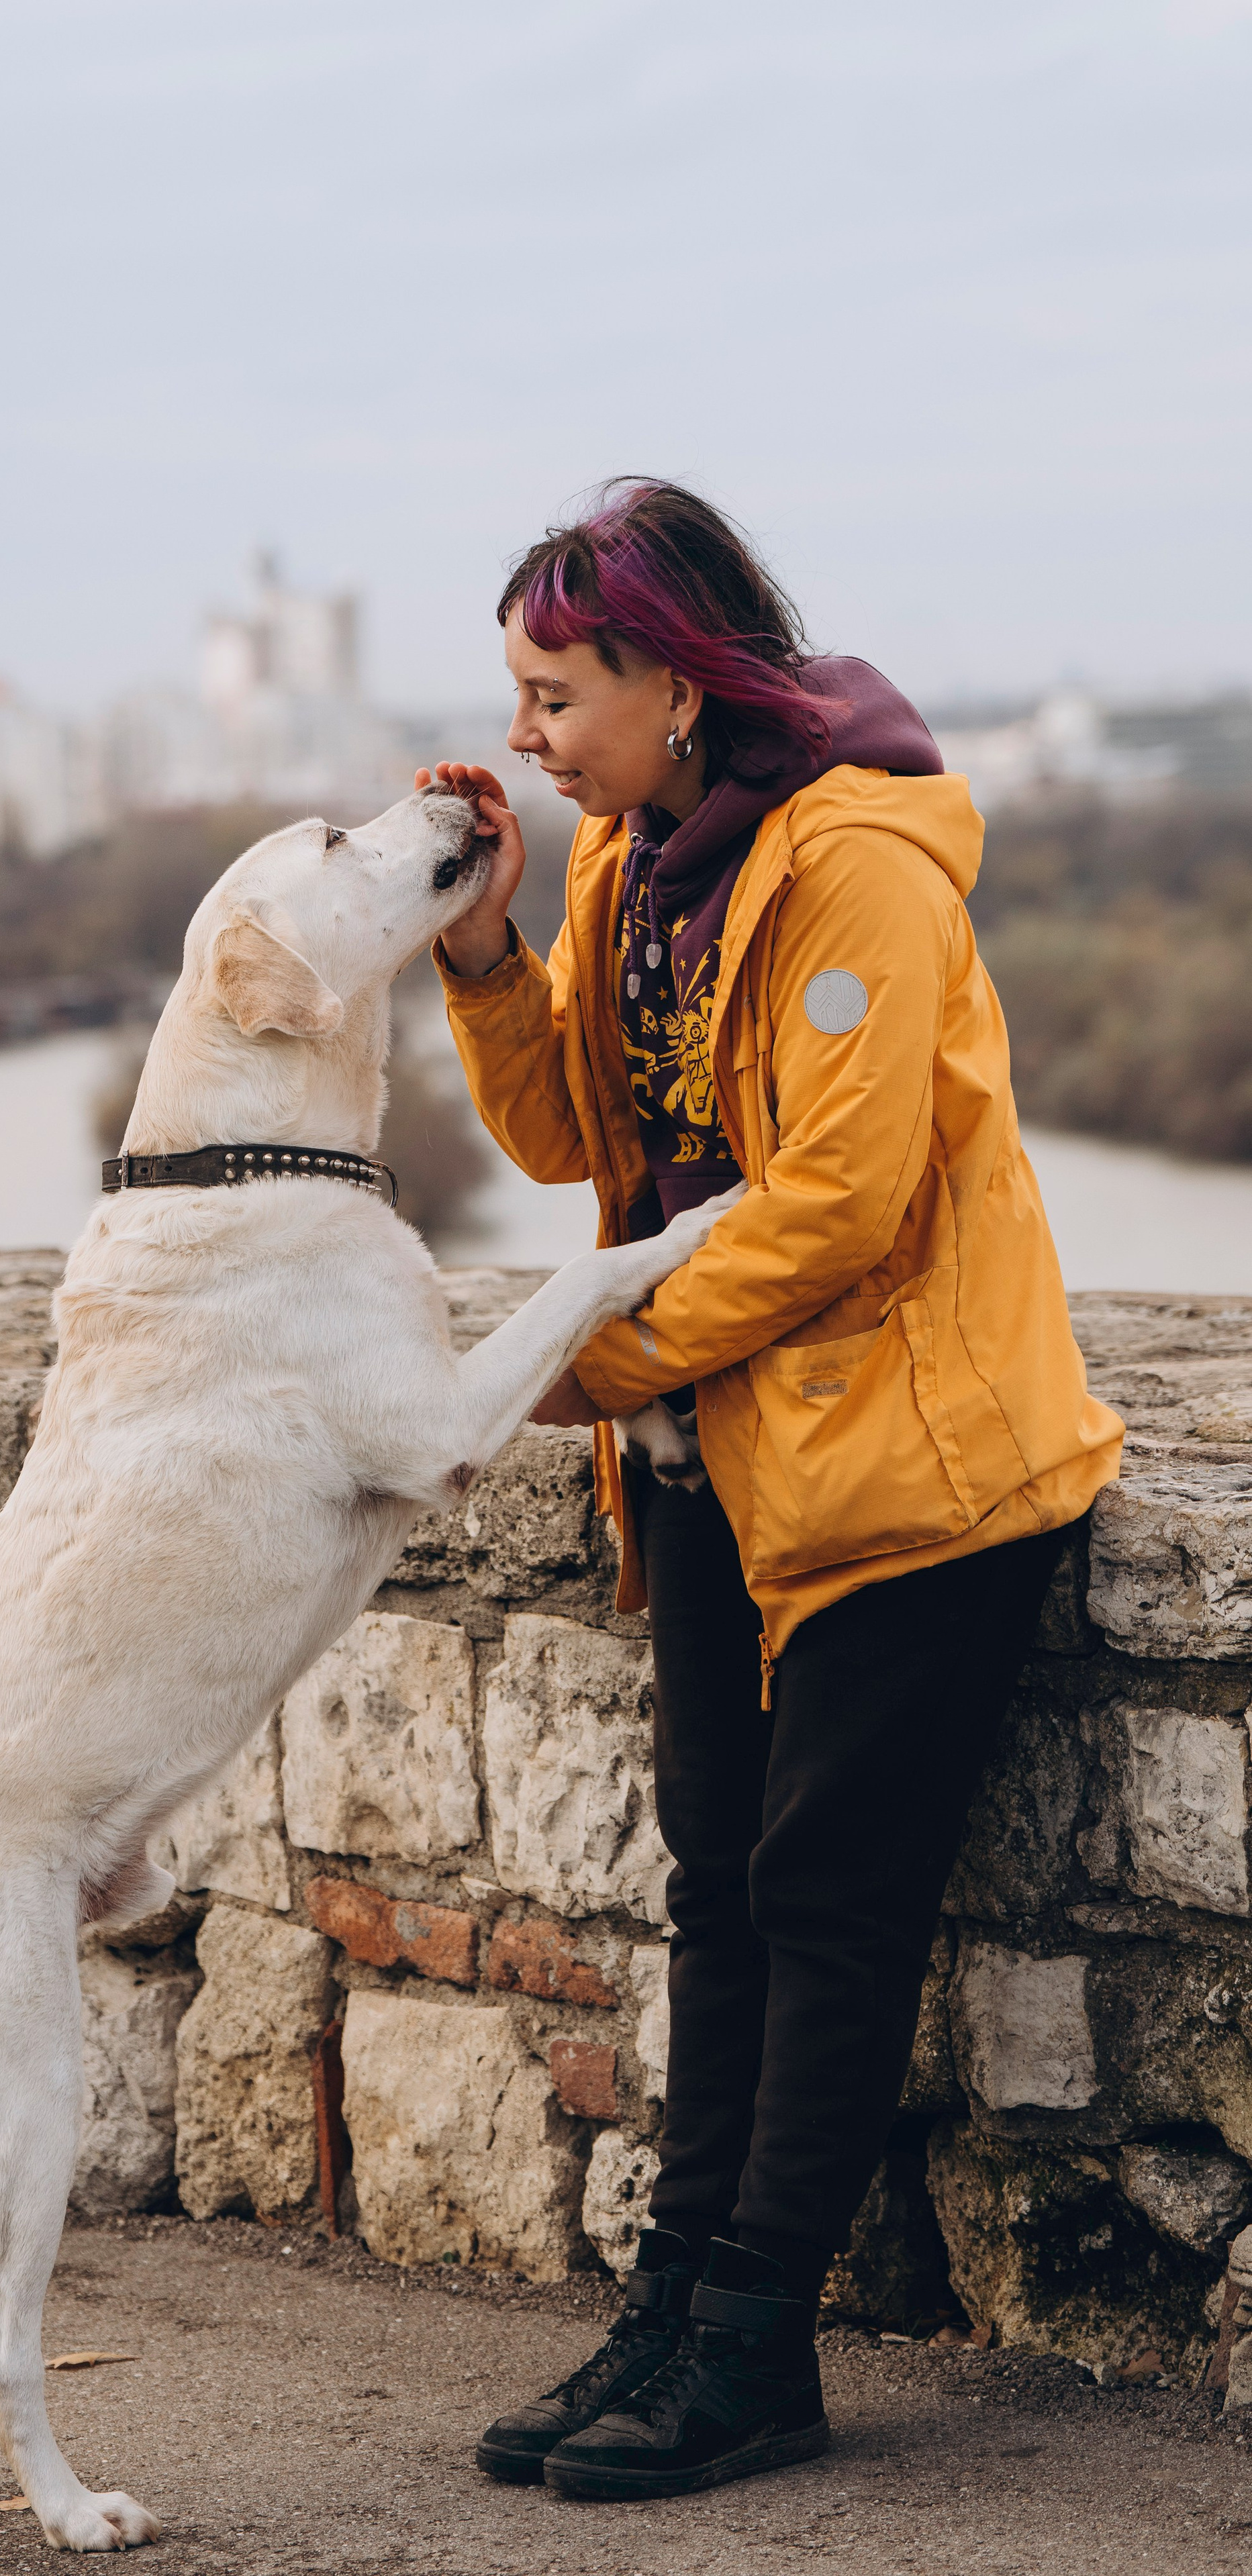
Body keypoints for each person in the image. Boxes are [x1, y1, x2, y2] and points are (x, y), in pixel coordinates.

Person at [420, 480, 1122, 2505]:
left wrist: (592, 1361)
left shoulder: (854, 862)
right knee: (719, 1889)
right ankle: (675, 2312)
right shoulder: (631, 859)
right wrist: (485, 953)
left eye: (557, 694)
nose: (530, 736)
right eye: (522, 696)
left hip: (916, 1465)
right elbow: (578, 1140)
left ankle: (754, 2347)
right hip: (723, 1455)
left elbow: (841, 1202)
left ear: (674, 679)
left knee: (826, 1903)